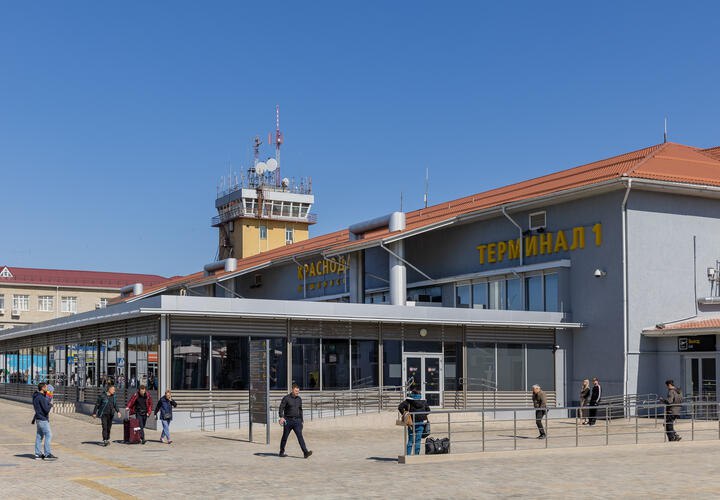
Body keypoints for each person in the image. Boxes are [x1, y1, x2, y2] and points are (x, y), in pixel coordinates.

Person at [278, 383, 312, 458]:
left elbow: (300, 410)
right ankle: (281, 452)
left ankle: (305, 452)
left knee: (300, 436)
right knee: (285, 437)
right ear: (292, 390)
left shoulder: (299, 399)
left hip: (297, 421)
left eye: (298, 391)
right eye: (296, 391)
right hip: (288, 421)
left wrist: (301, 420)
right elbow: (281, 408)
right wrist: (281, 417)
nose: (297, 393)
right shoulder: (286, 398)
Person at [398, 388, 431, 455]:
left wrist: (405, 414)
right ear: (419, 394)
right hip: (421, 423)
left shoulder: (408, 401)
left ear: (412, 394)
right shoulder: (423, 401)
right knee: (418, 440)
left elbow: (400, 407)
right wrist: (423, 415)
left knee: (410, 440)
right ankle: (416, 455)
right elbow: (428, 411)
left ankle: (408, 455)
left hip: (411, 423)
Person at [32, 382, 57, 460]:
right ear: (42, 388)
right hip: (42, 419)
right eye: (46, 387)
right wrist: (50, 405)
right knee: (48, 435)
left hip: (38, 418)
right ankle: (47, 454)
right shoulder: (41, 397)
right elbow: (46, 409)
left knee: (39, 436)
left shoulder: (36, 396)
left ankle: (37, 454)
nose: (47, 389)